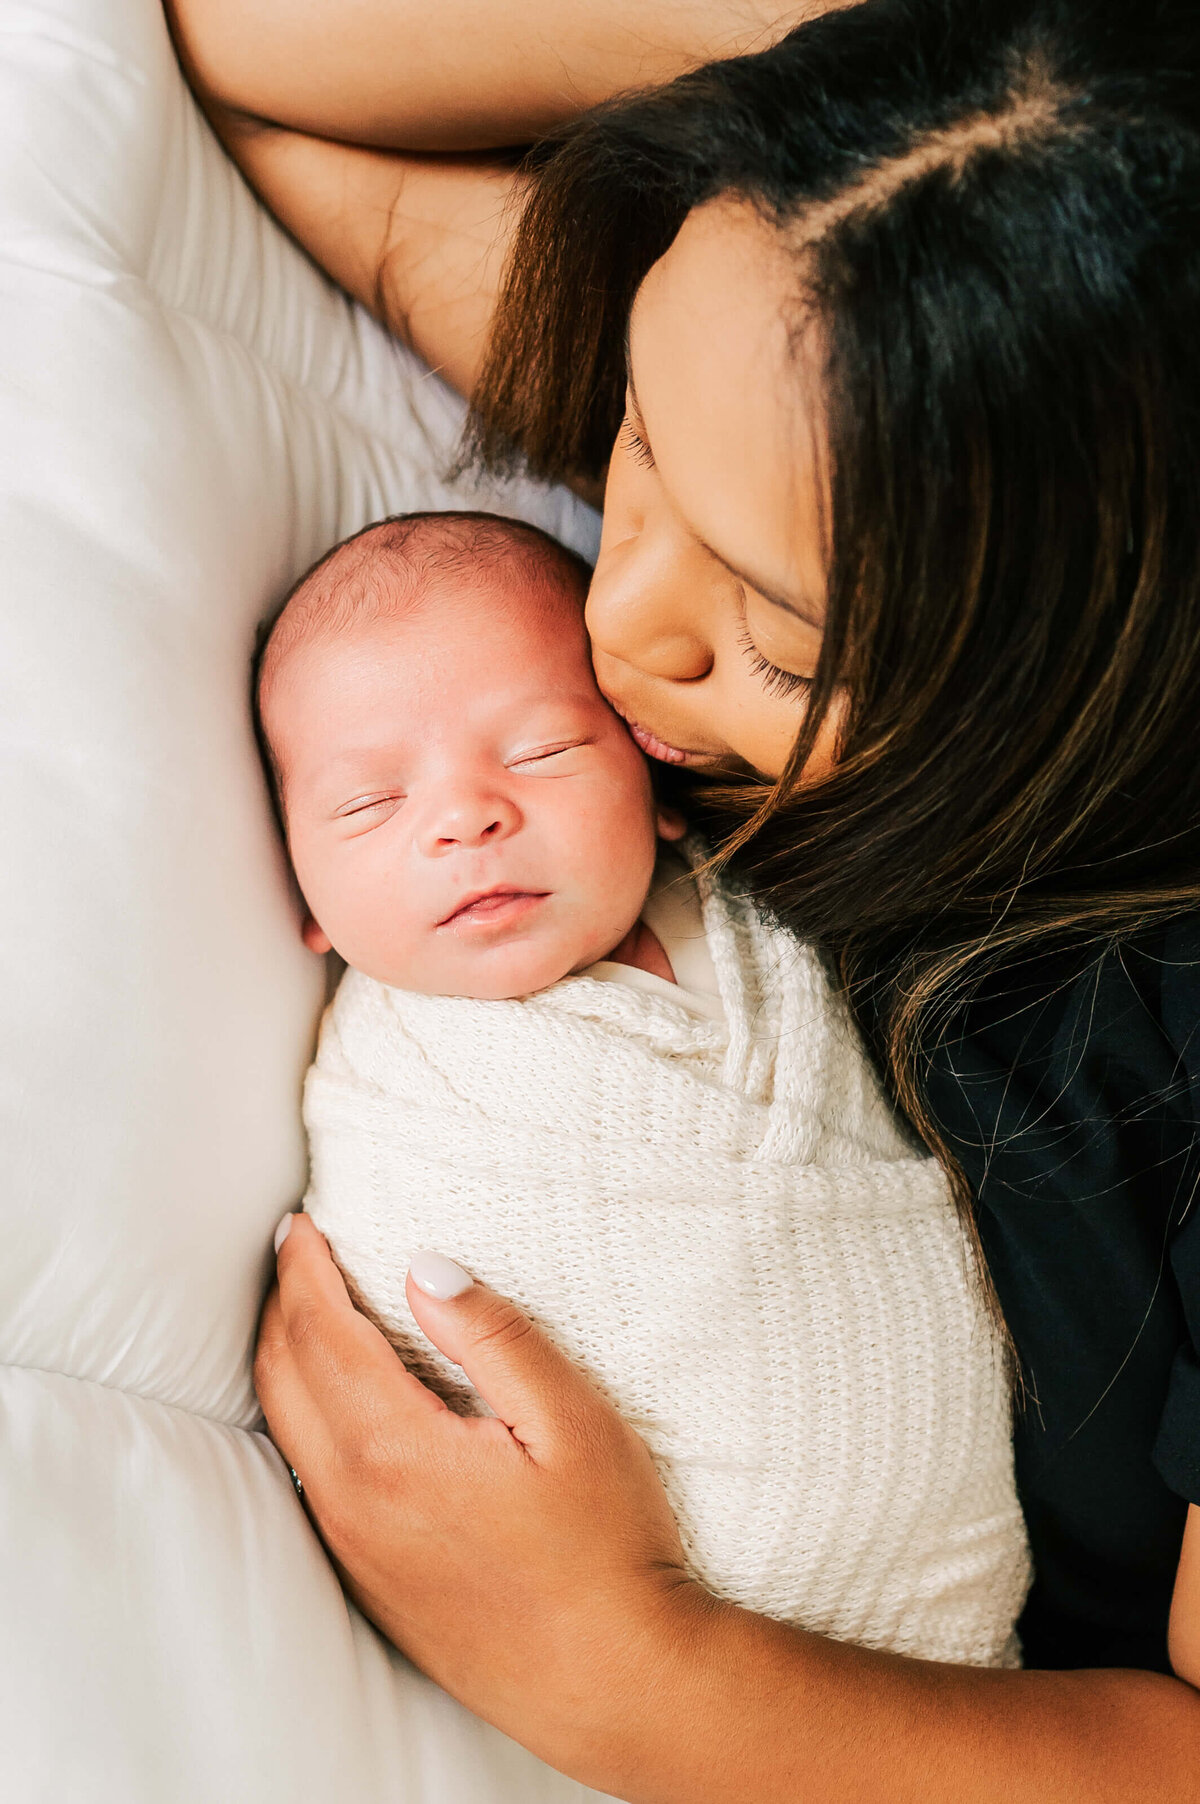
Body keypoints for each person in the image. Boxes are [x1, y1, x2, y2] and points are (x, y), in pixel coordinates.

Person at [167, 0, 1200, 1796]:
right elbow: (266, 62)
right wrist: (973, 101)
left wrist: (636, 1666)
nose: (618, 619)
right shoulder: (802, 377)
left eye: (785, 641)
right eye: (635, 440)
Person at [257, 507, 1028, 1682]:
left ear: (658, 783)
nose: (466, 816)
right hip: (640, 1608)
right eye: (371, 803)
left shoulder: (778, 924)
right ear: (304, 895)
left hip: (926, 1581)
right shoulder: (398, 1088)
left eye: (540, 751)